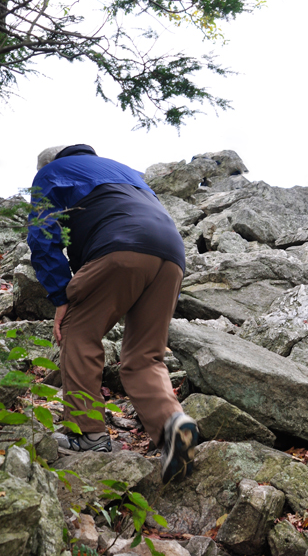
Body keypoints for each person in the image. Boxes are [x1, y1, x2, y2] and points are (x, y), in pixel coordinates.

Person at [27, 144, 198, 483]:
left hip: (120, 247)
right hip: (171, 255)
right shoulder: (126, 172)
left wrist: (61, 296)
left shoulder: (50, 173)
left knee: (77, 331)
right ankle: (172, 424)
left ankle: (88, 435)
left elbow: (43, 235)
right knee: (145, 356)